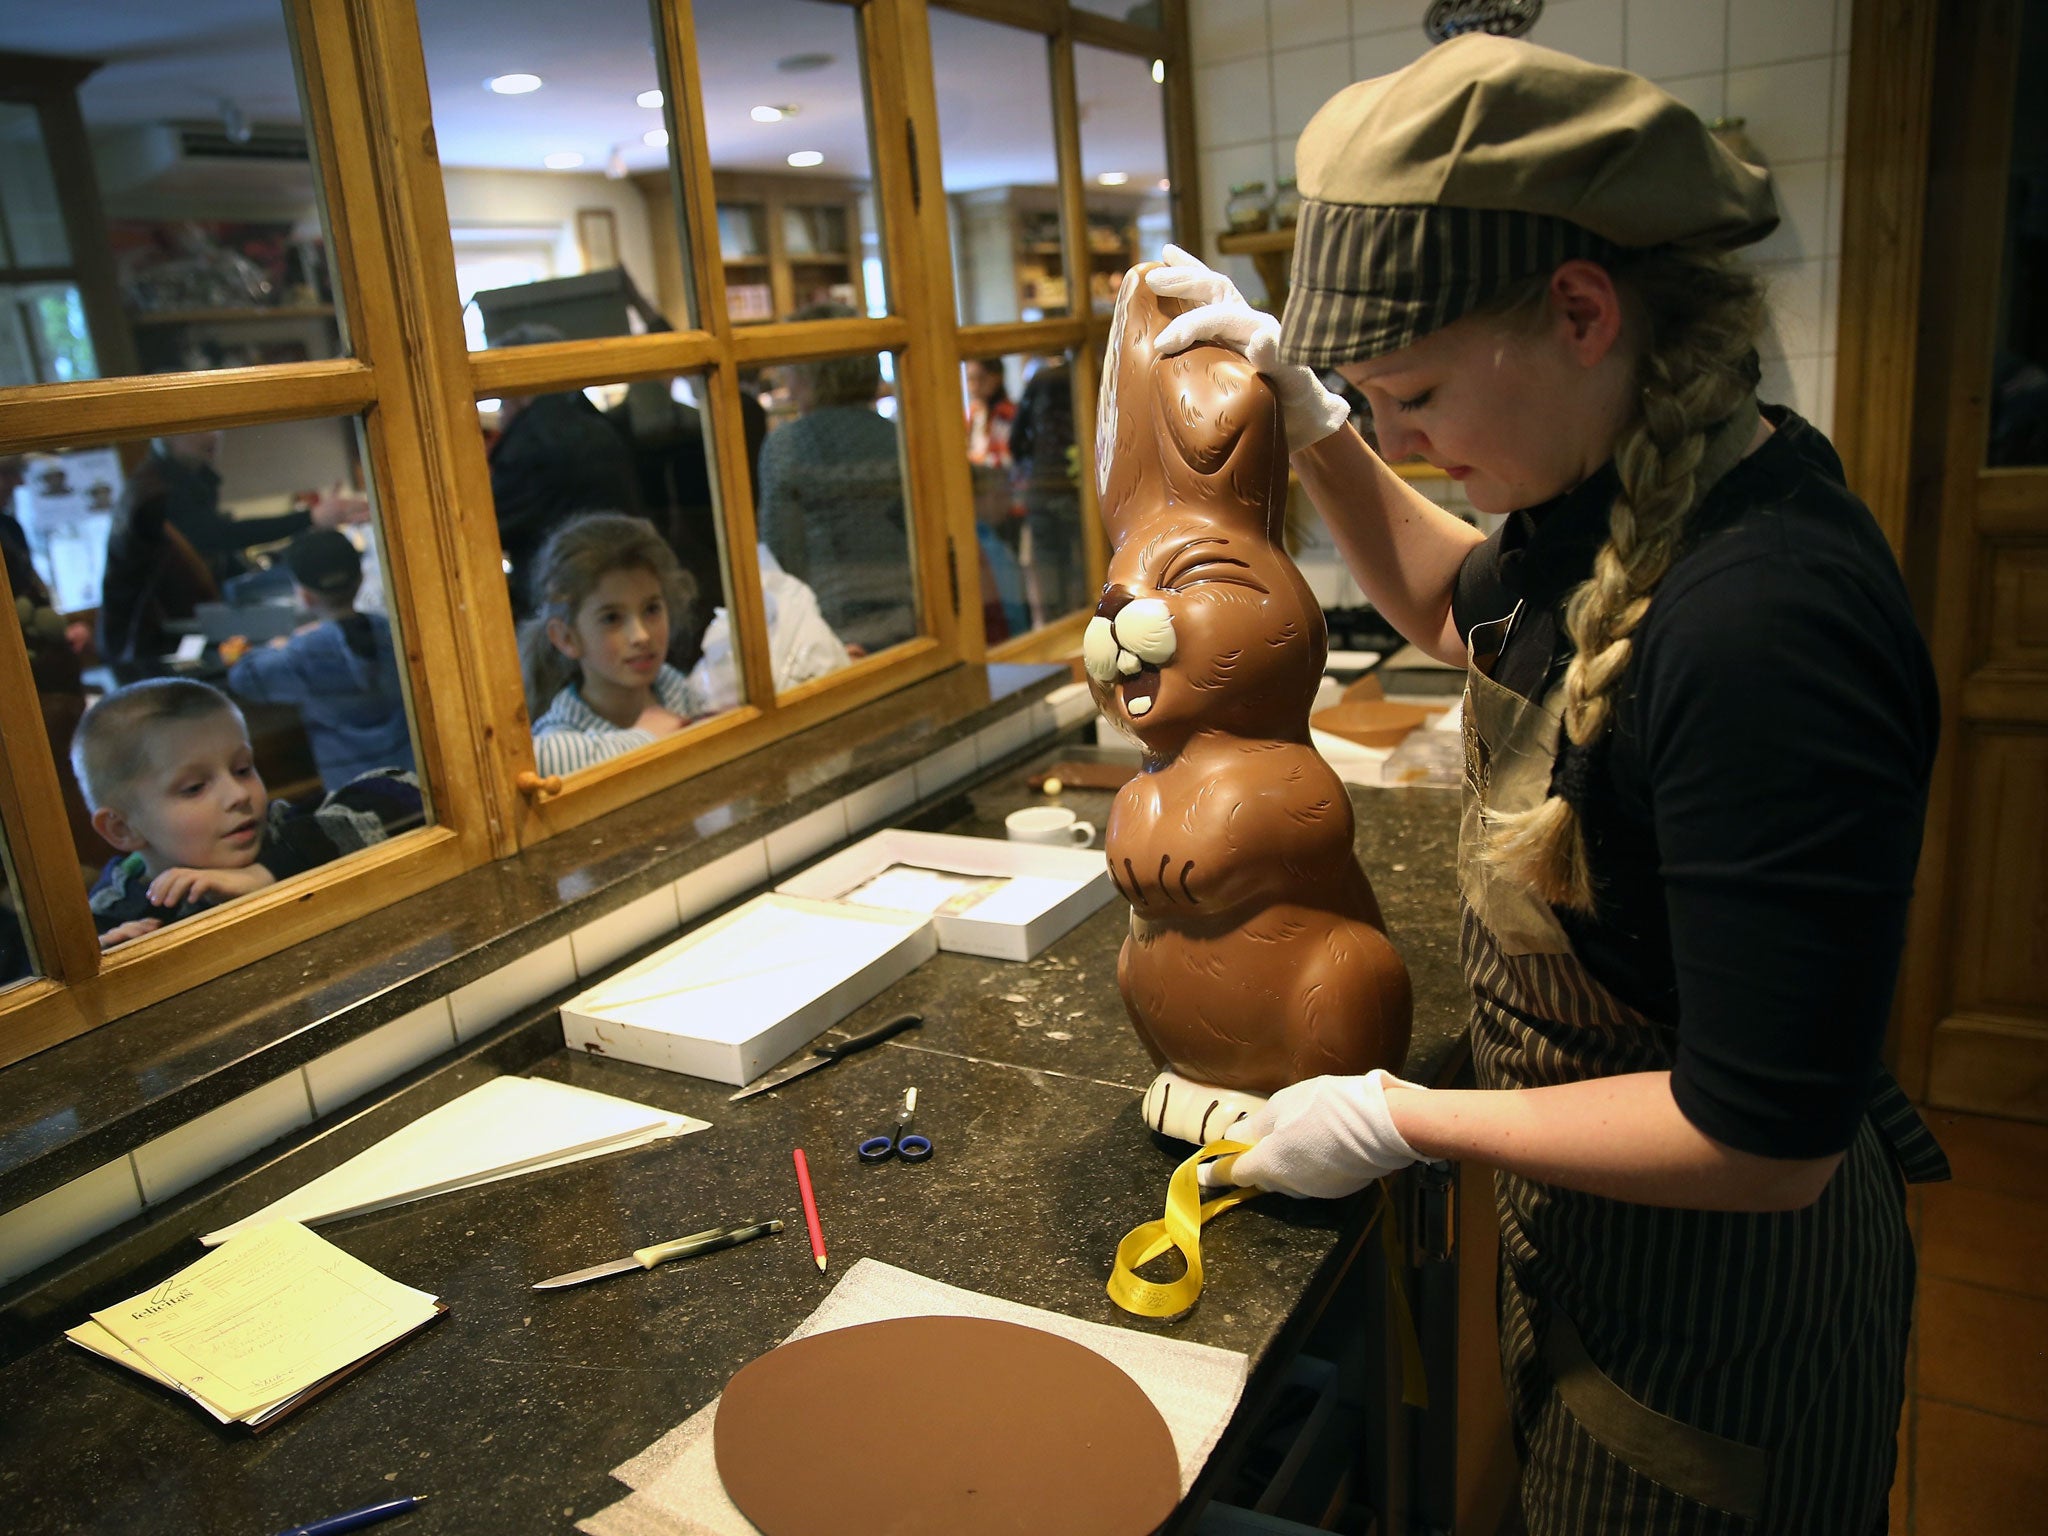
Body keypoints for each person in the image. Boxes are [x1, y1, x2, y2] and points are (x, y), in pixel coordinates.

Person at [1157, 36, 1949, 1534]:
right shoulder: (1609, 479)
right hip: (1601, 1255)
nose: (1405, 439)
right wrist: (1318, 427)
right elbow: (1462, 609)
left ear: (1582, 313)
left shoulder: (1765, 624)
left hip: (1731, 1323)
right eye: (1371, 400)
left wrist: (1409, 1119)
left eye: (1416, 394)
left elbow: (1766, 1143)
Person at [72, 678, 422, 949]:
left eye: (242, 769)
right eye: (194, 788)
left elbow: (406, 789)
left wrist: (267, 872)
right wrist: (116, 962)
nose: (238, 795)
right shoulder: (109, 914)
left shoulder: (282, 830)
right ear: (121, 829)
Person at [753, 303, 917, 655]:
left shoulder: (787, 445)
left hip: (831, 635)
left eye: (791, 366)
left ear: (812, 372)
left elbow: (781, 557)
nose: (786, 379)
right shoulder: (901, 439)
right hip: (913, 623)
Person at [224, 528, 415, 792]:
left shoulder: (303, 654)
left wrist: (279, 646)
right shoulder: (395, 633)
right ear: (361, 579)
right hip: (414, 780)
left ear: (304, 594)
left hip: (351, 793)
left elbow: (245, 679)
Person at [521, 512, 706, 777]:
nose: (641, 636)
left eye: (651, 609)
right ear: (566, 639)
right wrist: (645, 738)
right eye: (611, 618)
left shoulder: (670, 685)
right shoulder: (560, 733)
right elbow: (539, 762)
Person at [486, 325, 644, 609]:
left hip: (564, 602)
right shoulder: (594, 423)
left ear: (518, 386)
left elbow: (486, 529)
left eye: (502, 394)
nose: (501, 407)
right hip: (624, 584)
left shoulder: (532, 440)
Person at [1007, 354, 1086, 624]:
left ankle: (1056, 627)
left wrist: (1035, 463)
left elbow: (1016, 440)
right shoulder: (1090, 376)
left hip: (1042, 486)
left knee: (1049, 570)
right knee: (1085, 567)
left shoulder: (1040, 381)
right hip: (1078, 489)